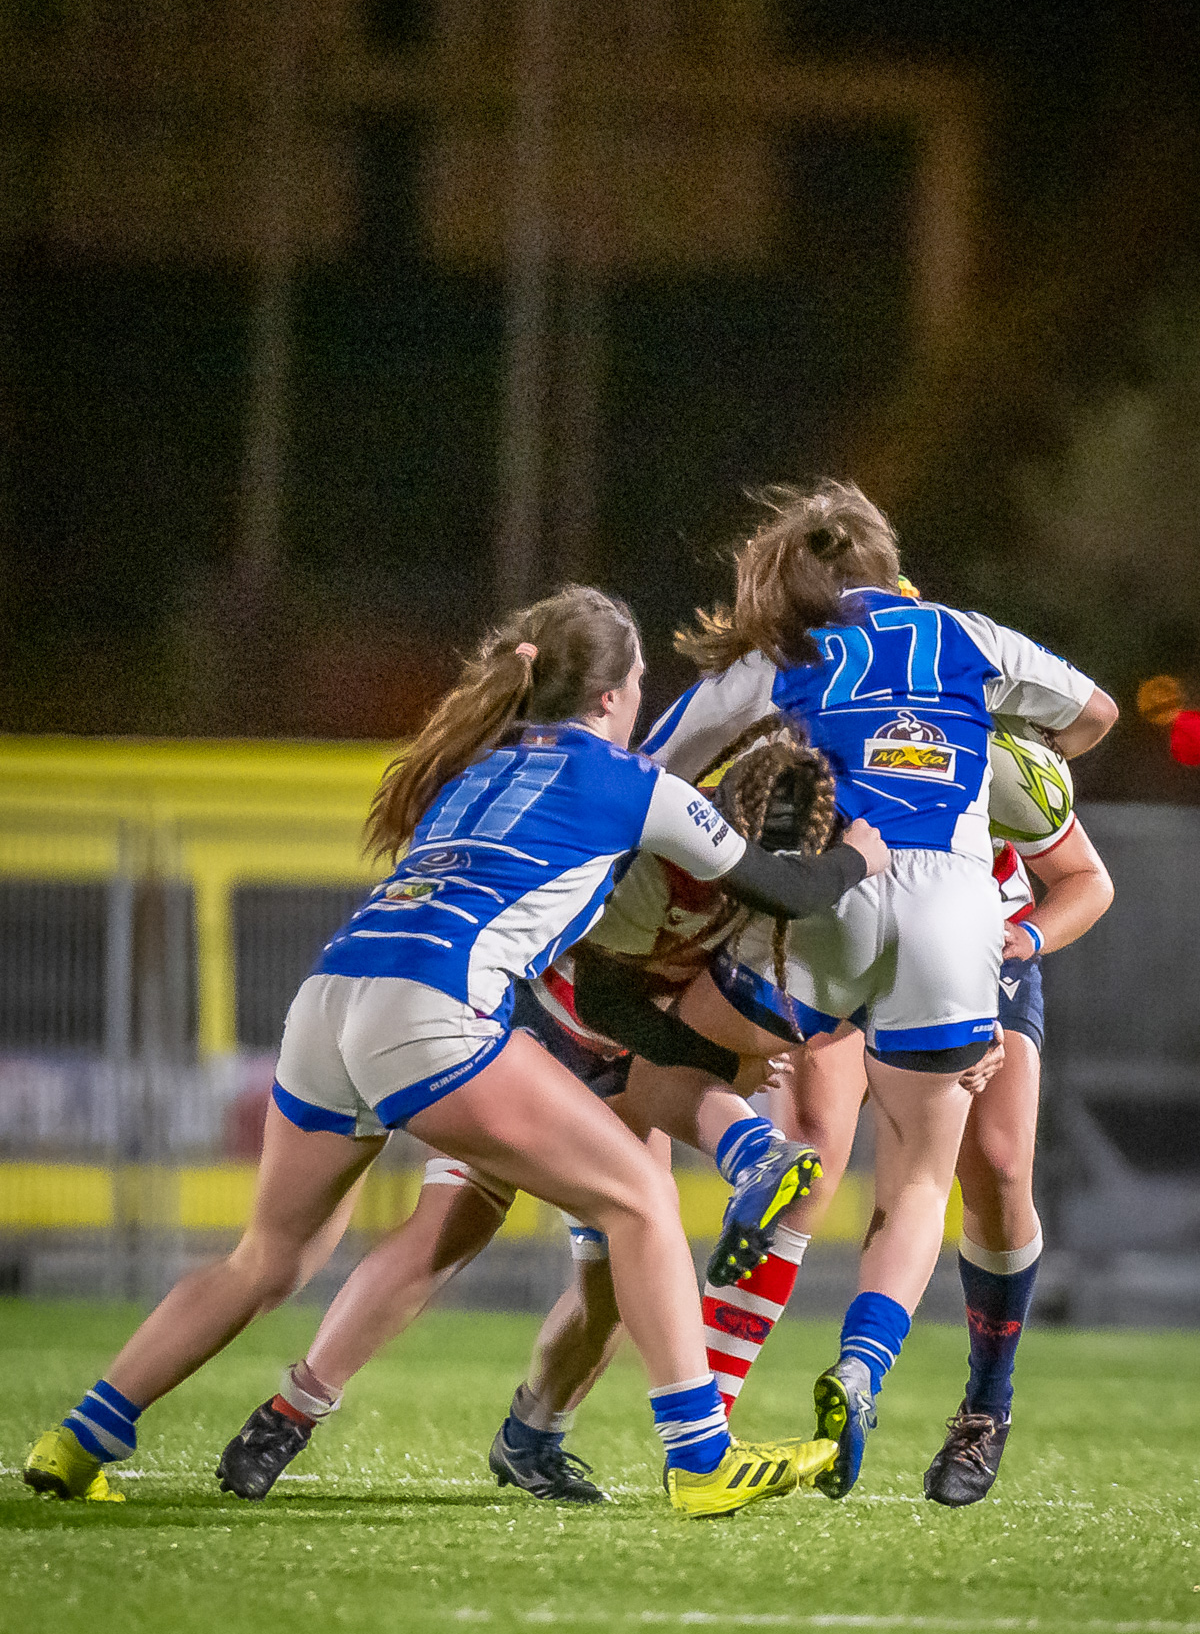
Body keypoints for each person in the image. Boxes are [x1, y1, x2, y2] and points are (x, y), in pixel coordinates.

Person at [23, 584, 882, 1518]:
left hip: (329, 999)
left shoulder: (481, 767)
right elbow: (783, 890)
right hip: (427, 1007)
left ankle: (77, 1439)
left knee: (265, 1260)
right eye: (637, 681)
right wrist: (861, 860)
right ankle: (701, 1458)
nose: (642, 699)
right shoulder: (636, 785)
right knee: (637, 1198)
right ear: (608, 698)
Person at [214, 714, 883, 1504]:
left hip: (619, 1061)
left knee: (617, 1283)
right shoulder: (665, 861)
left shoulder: (784, 881)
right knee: (453, 1224)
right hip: (535, 1037)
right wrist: (711, 1054)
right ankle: (290, 1413)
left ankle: (533, 1433)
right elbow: (605, 995)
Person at [632, 480, 1116, 1497]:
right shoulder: (968, 647)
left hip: (869, 903)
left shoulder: (791, 660)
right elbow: (1099, 715)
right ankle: (856, 1366)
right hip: (956, 933)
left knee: (663, 1049)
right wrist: (1015, 743)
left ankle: (746, 1157)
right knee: (919, 1180)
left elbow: (649, 767)